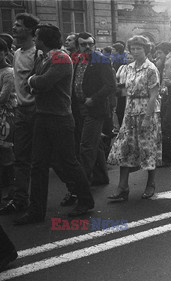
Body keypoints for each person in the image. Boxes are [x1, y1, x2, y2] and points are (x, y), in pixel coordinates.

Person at [14, 24, 95, 225]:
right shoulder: (43, 57)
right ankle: (36, 211)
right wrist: (35, 82)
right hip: (42, 116)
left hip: (60, 118)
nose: (34, 38)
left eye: (37, 36)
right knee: (38, 164)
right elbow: (32, 84)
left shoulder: (61, 57)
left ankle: (85, 200)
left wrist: (34, 81)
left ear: (43, 39)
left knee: (68, 162)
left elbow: (42, 83)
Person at [59, 32, 116, 206]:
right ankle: (101, 177)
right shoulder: (75, 59)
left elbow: (110, 85)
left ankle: (79, 189)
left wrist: (94, 98)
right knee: (94, 143)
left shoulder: (100, 60)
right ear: (78, 45)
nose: (87, 47)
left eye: (90, 44)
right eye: (83, 44)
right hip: (78, 109)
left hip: (94, 109)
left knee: (85, 147)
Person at [107, 35, 161, 201]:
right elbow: (124, 90)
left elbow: (153, 95)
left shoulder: (151, 69)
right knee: (126, 147)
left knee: (147, 147)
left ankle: (151, 184)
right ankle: (123, 187)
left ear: (146, 50)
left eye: (139, 49)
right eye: (133, 49)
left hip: (147, 111)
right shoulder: (127, 68)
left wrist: (147, 118)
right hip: (130, 112)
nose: (135, 52)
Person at [0, 13, 40, 215]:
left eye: (19, 25)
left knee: (56, 159)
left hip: (38, 112)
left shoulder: (37, 54)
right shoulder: (16, 54)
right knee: (21, 157)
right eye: (14, 25)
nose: (14, 28)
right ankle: (20, 199)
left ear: (31, 31)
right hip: (21, 111)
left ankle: (80, 193)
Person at [0, 38, 16, 205]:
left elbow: (4, 96)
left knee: (6, 151)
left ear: (5, 52)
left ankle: (11, 187)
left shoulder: (8, 72)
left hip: (6, 115)